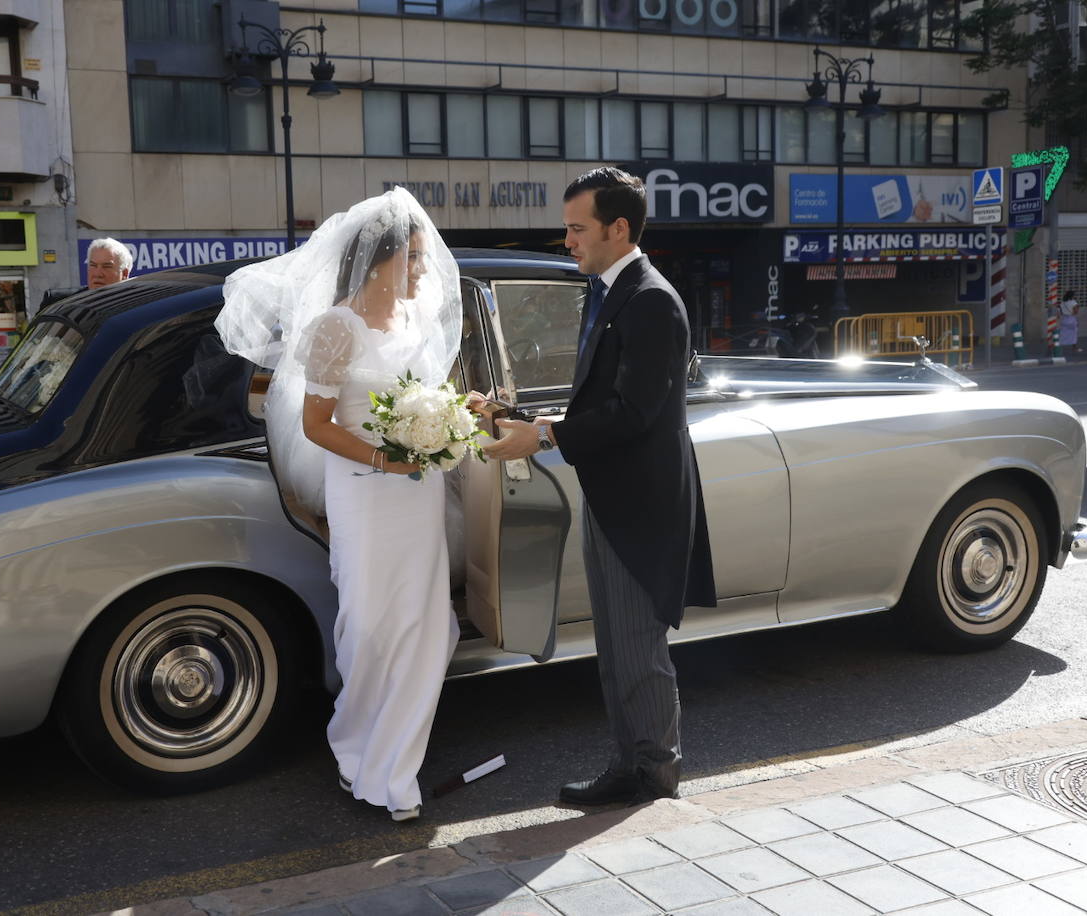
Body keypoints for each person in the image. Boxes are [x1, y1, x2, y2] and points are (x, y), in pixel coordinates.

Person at [215, 189, 463, 822]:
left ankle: (398, 764)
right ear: (380, 260)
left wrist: (451, 421)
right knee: (372, 624)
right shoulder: (336, 327)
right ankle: (361, 749)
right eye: (413, 258)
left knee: (427, 622)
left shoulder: (412, 321)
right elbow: (318, 425)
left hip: (419, 492)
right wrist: (387, 458)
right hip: (367, 492)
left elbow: (431, 396)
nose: (423, 270)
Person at [485, 167, 716, 806]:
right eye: (567, 227)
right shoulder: (611, 290)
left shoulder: (650, 299)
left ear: (619, 228)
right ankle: (632, 764)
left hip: (640, 507)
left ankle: (652, 773)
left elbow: (633, 413)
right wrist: (515, 418)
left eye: (577, 228)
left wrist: (546, 435)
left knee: (637, 648)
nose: (567, 240)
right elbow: (598, 399)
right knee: (615, 645)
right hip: (614, 496)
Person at [38, 237, 135, 309]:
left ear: (125, 274)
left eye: (106, 267)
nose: (97, 274)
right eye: (93, 265)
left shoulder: (137, 307)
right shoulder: (58, 303)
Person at [1060, 290, 1081, 354]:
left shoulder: (1062, 303)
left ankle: (1059, 347)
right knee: (1074, 334)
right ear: (1072, 295)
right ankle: (1074, 348)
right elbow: (1076, 312)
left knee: (1063, 334)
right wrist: (1077, 308)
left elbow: (1061, 312)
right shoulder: (1073, 302)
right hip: (1071, 319)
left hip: (1064, 319)